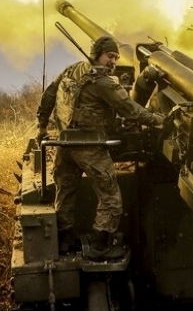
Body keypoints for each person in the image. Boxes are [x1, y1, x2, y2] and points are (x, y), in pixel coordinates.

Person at [36, 35, 165, 260]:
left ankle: (65, 240)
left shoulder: (72, 70)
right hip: (90, 147)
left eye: (116, 57)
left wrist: (42, 126)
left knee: (65, 193)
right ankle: (99, 244)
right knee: (111, 198)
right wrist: (157, 120)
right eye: (109, 56)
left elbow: (49, 94)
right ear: (96, 54)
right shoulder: (104, 83)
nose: (113, 62)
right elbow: (130, 109)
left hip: (64, 144)